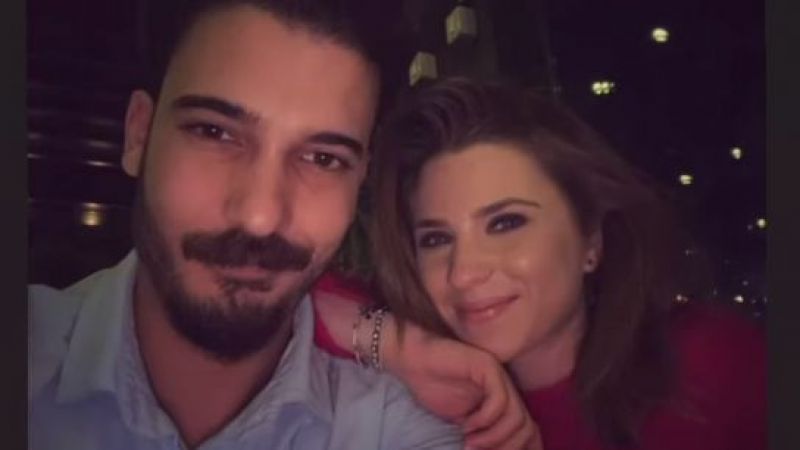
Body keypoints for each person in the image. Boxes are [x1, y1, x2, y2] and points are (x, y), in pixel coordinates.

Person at [28, 2, 482, 448]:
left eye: (323, 159)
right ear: (139, 135)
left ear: (360, 176)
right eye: (215, 132)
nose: (260, 217)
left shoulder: (396, 428)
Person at [313, 78, 766, 450]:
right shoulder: (418, 399)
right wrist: (404, 349)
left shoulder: (715, 363)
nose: (464, 272)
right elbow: (285, 292)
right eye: (436, 239)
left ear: (591, 238)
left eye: (506, 223)